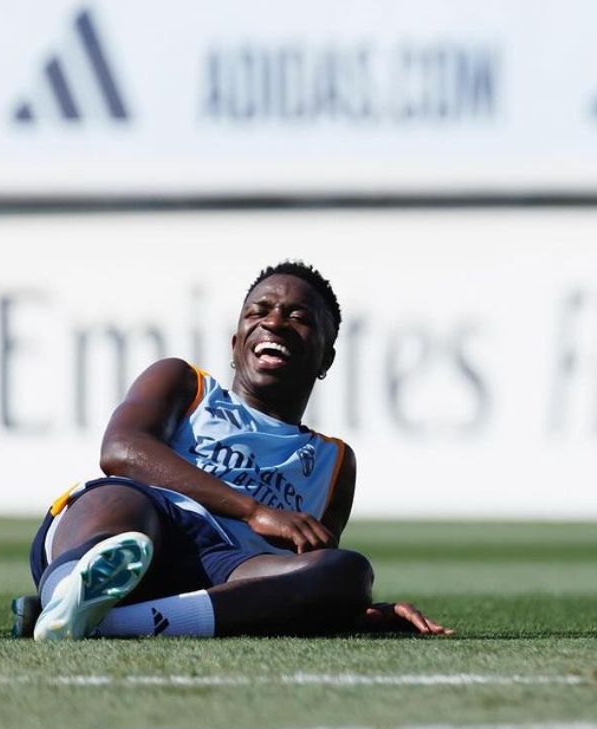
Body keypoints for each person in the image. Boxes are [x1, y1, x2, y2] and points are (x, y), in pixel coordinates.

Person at [23, 261, 450, 639]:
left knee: (347, 572)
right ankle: (70, 587)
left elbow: (300, 575)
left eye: (298, 316)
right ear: (235, 343)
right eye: (258, 312)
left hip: (225, 569)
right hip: (139, 526)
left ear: (326, 359)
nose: (275, 322)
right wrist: (254, 511)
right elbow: (121, 449)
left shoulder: (334, 461)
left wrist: (358, 609)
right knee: (120, 498)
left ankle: (92, 620)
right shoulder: (186, 384)